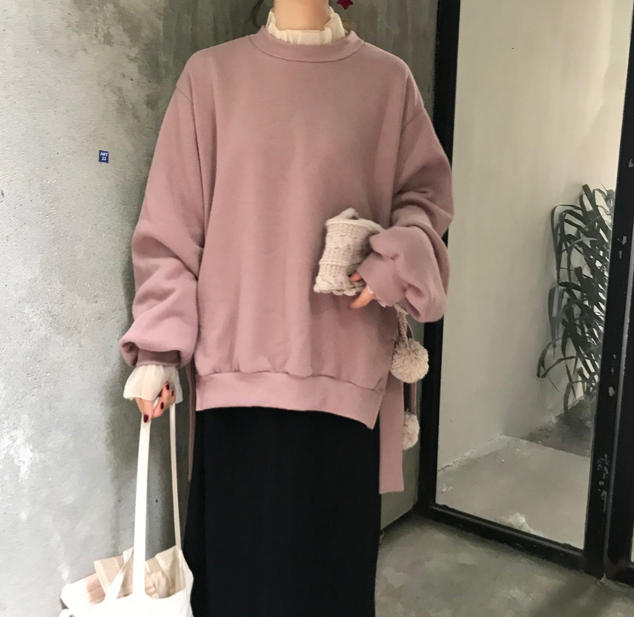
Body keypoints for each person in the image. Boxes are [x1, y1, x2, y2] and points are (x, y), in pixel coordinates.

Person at [117, 1, 454, 615]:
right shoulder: (210, 77)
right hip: (236, 387)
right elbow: (172, 225)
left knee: (331, 590)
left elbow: (426, 203)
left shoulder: (388, 82)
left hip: (345, 385)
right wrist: (159, 349)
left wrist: (392, 263)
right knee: (236, 587)